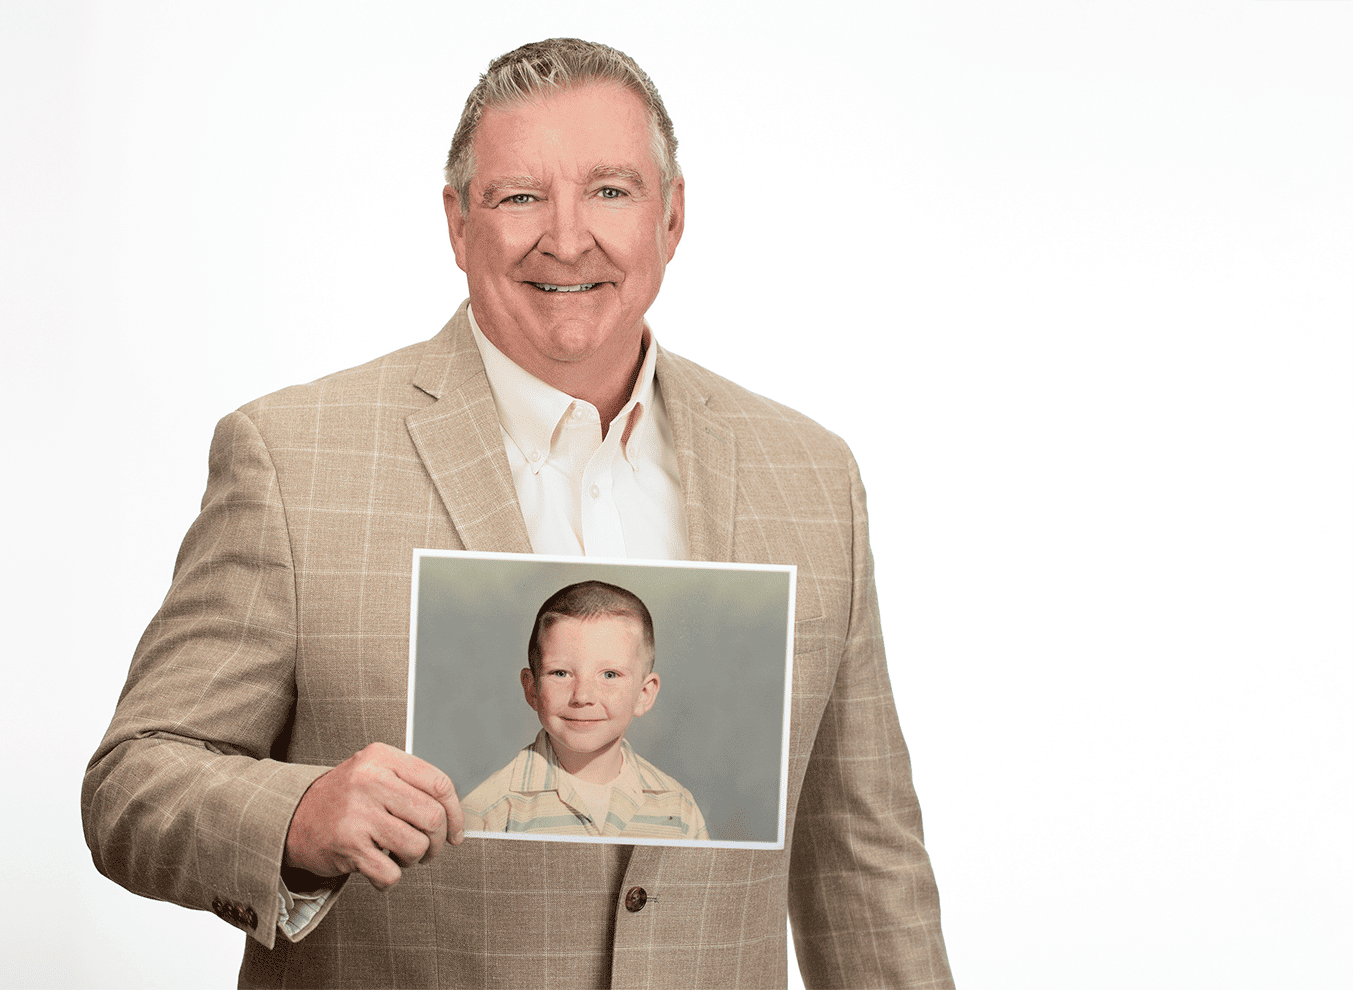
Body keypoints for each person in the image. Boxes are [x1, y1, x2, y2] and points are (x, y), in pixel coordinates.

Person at [83, 37, 953, 988]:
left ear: (673, 218)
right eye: (519, 196)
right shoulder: (293, 458)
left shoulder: (811, 477)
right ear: (458, 224)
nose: (568, 236)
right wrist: (297, 814)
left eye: (612, 190)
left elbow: (863, 856)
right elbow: (134, 779)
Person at [462, 580, 709, 840]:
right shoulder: (486, 814)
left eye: (610, 674)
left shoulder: (679, 810)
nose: (582, 696)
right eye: (561, 673)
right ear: (532, 688)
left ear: (644, 694)